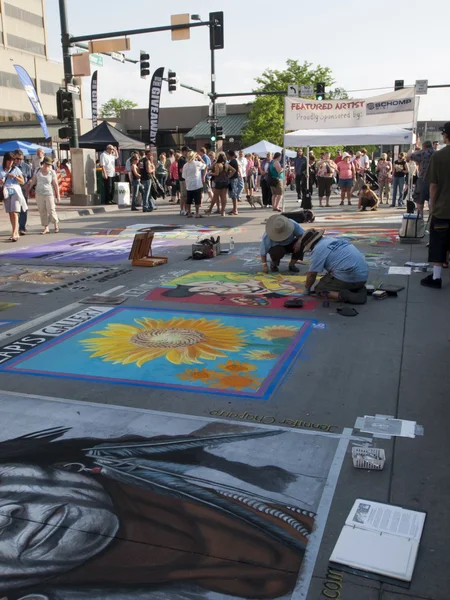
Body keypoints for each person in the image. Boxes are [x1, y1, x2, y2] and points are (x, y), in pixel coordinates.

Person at [300, 229, 369, 304]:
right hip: (363, 276)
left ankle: (351, 297)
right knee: (328, 278)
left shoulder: (318, 249)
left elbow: (312, 274)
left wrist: (307, 289)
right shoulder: (331, 240)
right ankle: (356, 288)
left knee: (320, 289)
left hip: (350, 278)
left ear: (311, 244)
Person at [420, 122, 450, 289]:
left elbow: (434, 185)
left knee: (438, 243)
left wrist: (432, 205)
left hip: (443, 208)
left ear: (445, 136)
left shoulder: (438, 157)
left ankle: (437, 277)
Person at [26, 155, 60, 234]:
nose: (47, 166)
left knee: (51, 209)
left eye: (49, 165)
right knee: (42, 210)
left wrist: (58, 195)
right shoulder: (38, 170)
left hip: (49, 193)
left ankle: (56, 225)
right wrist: (29, 189)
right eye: (46, 164)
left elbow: (55, 184)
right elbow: (34, 181)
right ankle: (46, 227)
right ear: (43, 163)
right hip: (39, 193)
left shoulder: (52, 172)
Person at [0, 151, 26, 241]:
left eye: (12, 161)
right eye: (9, 161)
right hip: (6, 192)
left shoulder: (15, 169)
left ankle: (14, 233)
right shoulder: (1, 168)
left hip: (15, 191)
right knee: (10, 213)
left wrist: (14, 177)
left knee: (15, 212)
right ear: (5, 161)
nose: (11, 163)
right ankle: (15, 232)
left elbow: (22, 181)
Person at [409, 141, 434, 217]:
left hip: (423, 179)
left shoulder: (422, 153)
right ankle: (430, 220)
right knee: (432, 200)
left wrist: (420, 151)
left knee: (420, 201)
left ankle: (420, 219)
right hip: (434, 179)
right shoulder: (437, 153)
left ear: (424, 147)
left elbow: (409, 156)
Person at [207, 151, 236, 216]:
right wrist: (229, 176)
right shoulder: (227, 165)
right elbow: (234, 170)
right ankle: (223, 211)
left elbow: (216, 174)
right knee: (224, 197)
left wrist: (210, 173)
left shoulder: (218, 165)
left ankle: (210, 209)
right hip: (225, 182)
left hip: (219, 182)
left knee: (215, 196)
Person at [13, 149, 32, 236]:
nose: (19, 161)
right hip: (13, 191)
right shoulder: (10, 166)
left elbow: (31, 178)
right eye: (17, 159)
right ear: (14, 157)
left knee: (23, 209)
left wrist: (28, 186)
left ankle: (22, 228)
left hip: (23, 190)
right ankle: (15, 228)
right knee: (14, 210)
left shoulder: (26, 166)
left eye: (20, 159)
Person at [182, 150, 206, 218]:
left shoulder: (185, 165)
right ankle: (197, 213)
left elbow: (183, 176)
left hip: (189, 184)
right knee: (197, 199)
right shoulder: (197, 163)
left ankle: (189, 212)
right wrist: (200, 159)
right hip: (197, 184)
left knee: (189, 199)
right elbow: (205, 165)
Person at [227, 150, 243, 215]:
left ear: (230, 155)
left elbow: (234, 170)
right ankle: (234, 209)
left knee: (234, 195)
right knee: (233, 194)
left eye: (228, 154)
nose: (227, 156)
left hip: (233, 179)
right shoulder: (232, 161)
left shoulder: (233, 161)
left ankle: (235, 209)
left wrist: (229, 176)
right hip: (233, 178)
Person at [178, 146, 189, 216]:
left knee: (186, 195)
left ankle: (186, 209)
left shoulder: (185, 159)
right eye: (187, 151)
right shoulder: (181, 159)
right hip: (183, 179)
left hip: (186, 179)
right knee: (183, 195)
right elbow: (181, 170)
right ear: (184, 151)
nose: (188, 152)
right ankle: (182, 210)